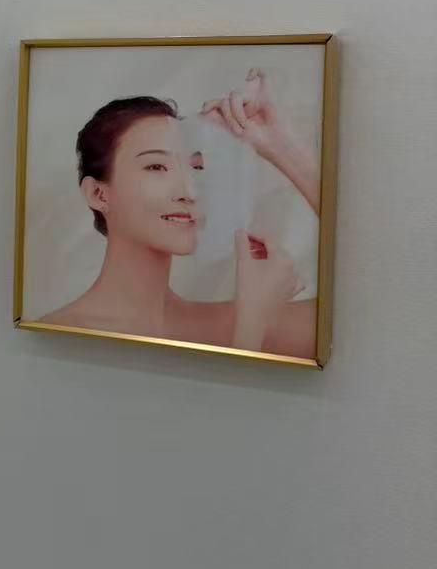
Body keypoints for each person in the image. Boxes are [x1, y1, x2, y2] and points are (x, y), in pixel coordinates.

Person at [37, 70, 322, 357]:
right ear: (98, 194)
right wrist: (250, 327)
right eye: (156, 167)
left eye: (196, 167)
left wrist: (279, 144)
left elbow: (351, 318)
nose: (190, 191)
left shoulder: (231, 319)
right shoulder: (60, 335)